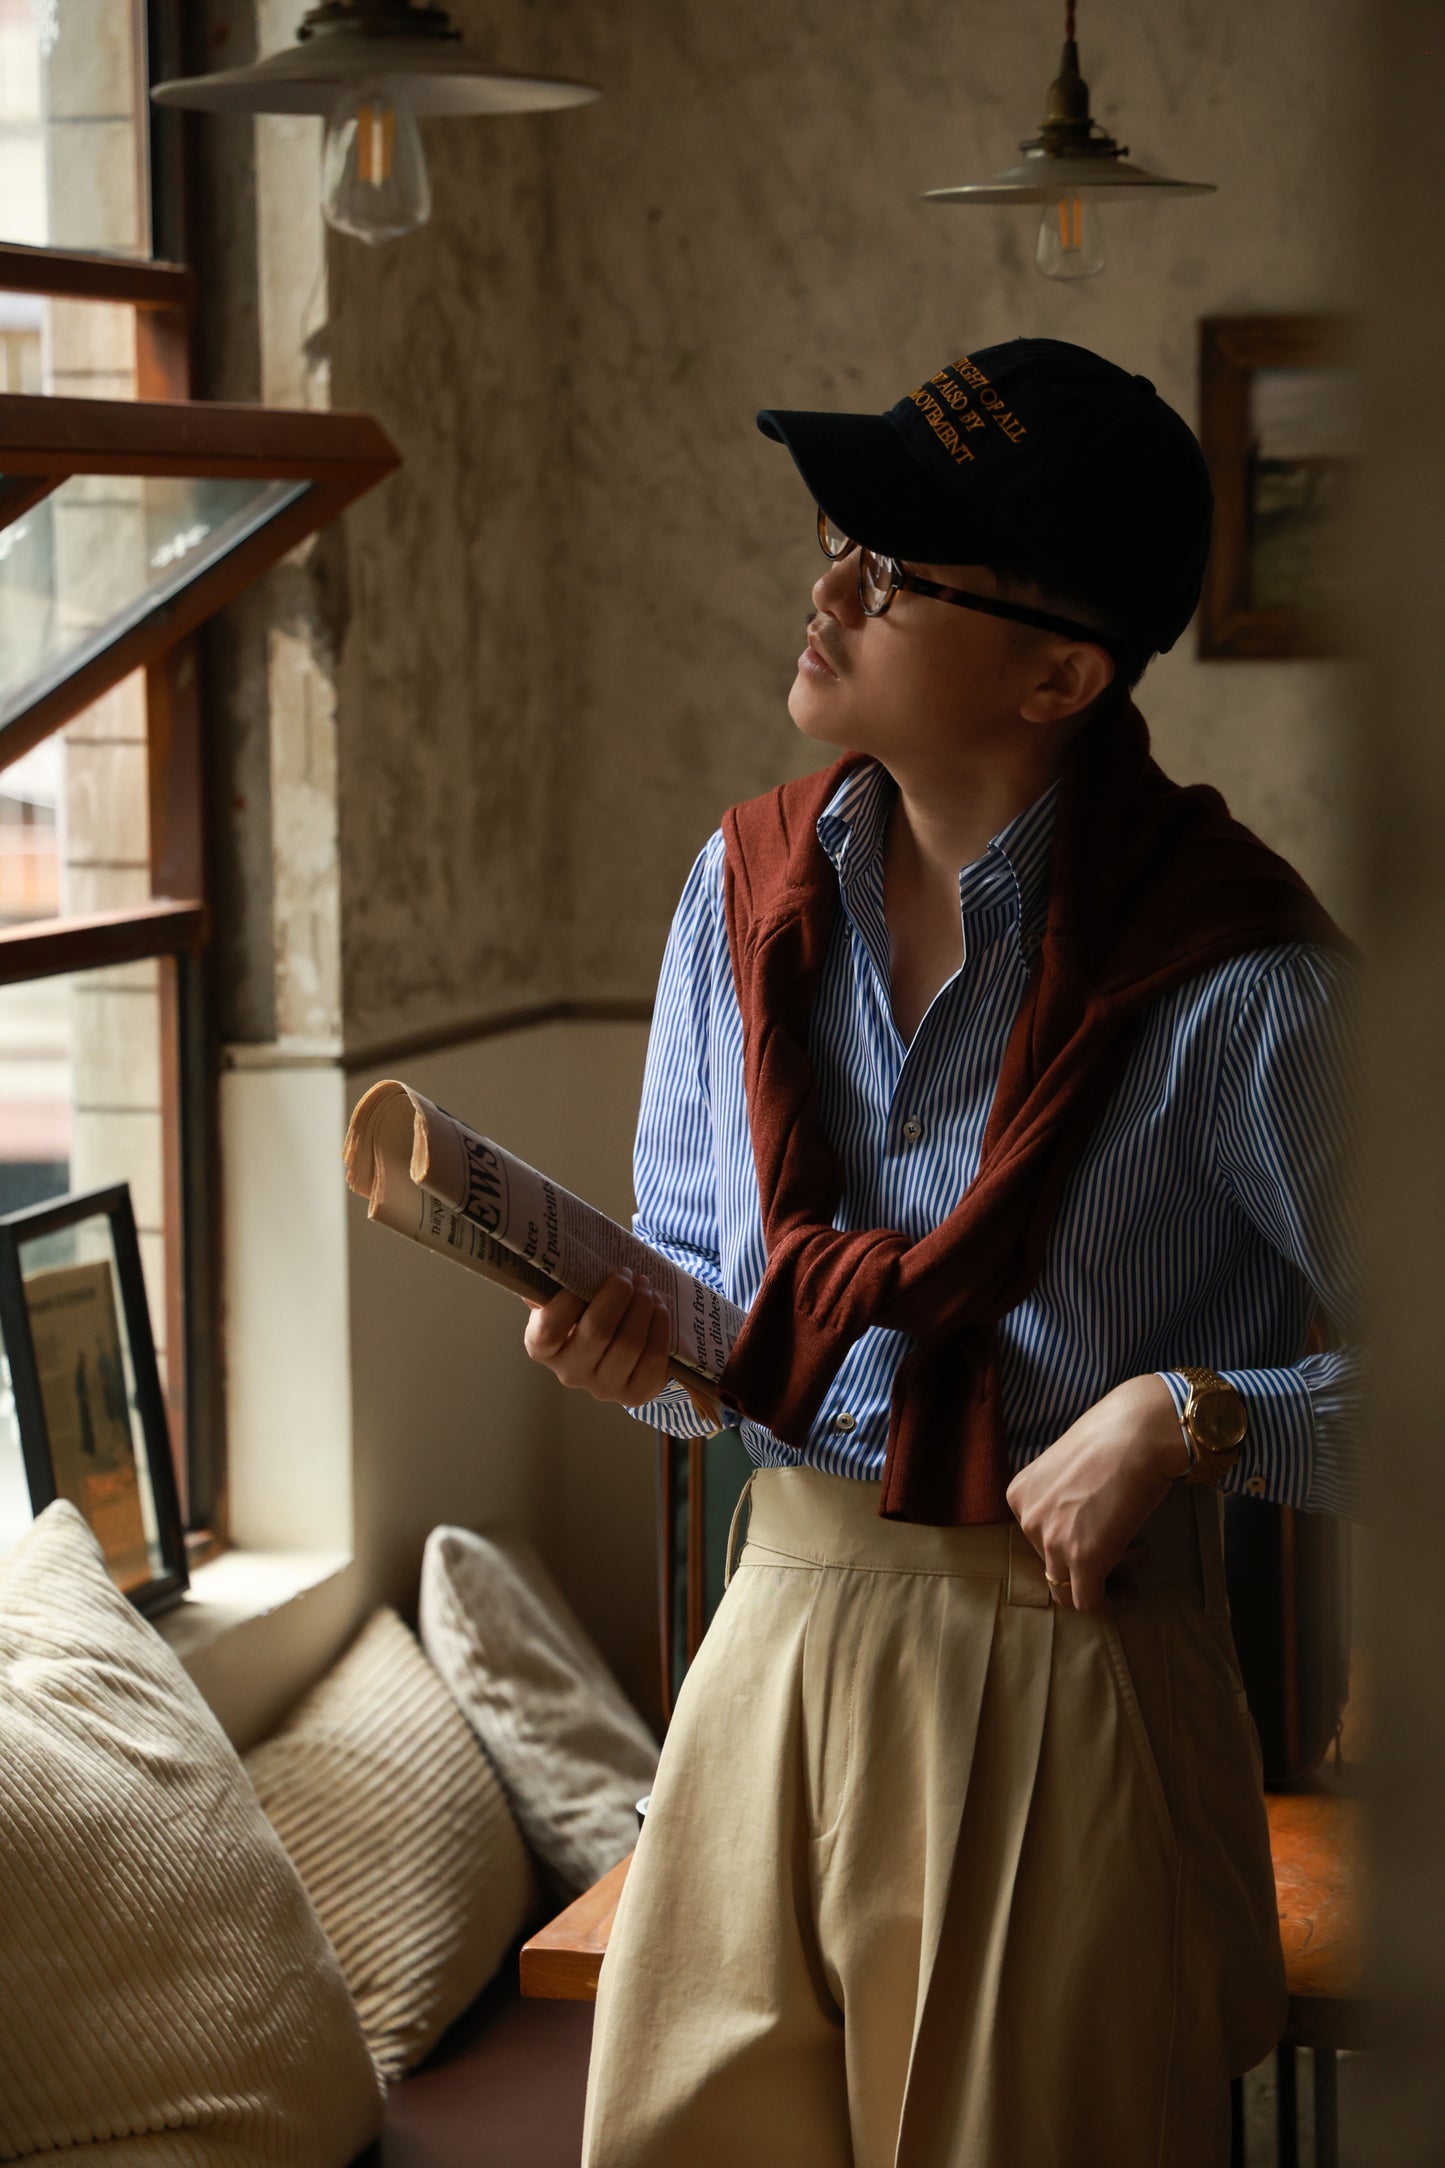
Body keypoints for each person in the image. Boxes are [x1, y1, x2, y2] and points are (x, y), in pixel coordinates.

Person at [523, 337, 1361, 2168]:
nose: (828, 586)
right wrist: (642, 1354)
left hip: (1071, 1677)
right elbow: (717, 1325)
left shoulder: (1241, 983)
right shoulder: (738, 901)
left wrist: (1185, 1415)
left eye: (898, 568)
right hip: (770, 1646)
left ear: (1061, 671)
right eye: (845, 531)